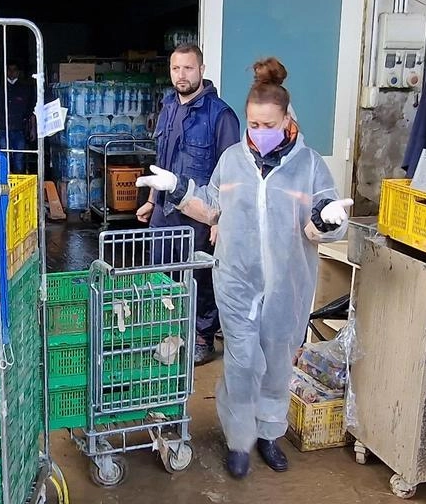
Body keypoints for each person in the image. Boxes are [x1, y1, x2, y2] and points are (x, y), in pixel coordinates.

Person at [138, 57, 352, 479]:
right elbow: (212, 209)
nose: (259, 133)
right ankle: (239, 440)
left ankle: (270, 433)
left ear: (287, 119)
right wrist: (178, 190)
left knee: (275, 361)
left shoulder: (309, 165)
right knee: (240, 361)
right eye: (253, 125)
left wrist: (327, 220)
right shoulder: (233, 160)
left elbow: (318, 222)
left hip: (287, 285)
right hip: (236, 279)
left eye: (267, 125)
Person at [137, 43, 240, 366]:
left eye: (188, 68)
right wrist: (152, 201)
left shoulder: (221, 116)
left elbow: (232, 175)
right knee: (161, 274)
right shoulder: (168, 106)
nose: (181, 75)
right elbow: (161, 160)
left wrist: (220, 220)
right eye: (176, 69)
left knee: (200, 277)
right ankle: (169, 334)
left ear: (202, 70)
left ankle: (202, 337)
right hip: (164, 213)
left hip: (198, 214)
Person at [2, 62, 35, 173]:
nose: (11, 72)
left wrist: (32, 129)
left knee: (19, 160)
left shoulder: (25, 89)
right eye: (9, 69)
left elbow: (31, 111)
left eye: (14, 69)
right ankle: (3, 185)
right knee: (3, 159)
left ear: (18, 72)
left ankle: (19, 187)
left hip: (19, 129)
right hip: (2, 129)